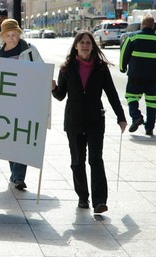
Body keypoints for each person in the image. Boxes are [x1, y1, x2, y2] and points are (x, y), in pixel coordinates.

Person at [52, 31, 127, 214]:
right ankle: (83, 197)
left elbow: (111, 93)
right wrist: (53, 88)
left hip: (95, 120)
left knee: (96, 159)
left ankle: (100, 201)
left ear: (93, 46)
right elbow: (61, 95)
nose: (85, 45)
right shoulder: (67, 68)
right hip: (74, 120)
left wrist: (121, 117)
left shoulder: (101, 68)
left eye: (88, 43)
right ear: (76, 46)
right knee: (77, 161)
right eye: (82, 42)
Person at [0, 19, 44, 191]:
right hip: (3, 104)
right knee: (8, 139)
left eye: (14, 35)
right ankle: (14, 172)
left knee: (21, 138)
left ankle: (19, 177)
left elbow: (42, 71)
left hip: (25, 102)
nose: (12, 38)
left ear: (19, 34)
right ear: (3, 36)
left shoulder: (29, 51)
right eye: (8, 35)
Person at [120, 14, 156, 136]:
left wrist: (122, 67)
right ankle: (149, 128)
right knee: (151, 103)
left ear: (141, 25)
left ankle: (136, 117)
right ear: (153, 25)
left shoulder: (132, 37)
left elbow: (124, 52)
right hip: (153, 78)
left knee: (131, 97)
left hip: (135, 76)